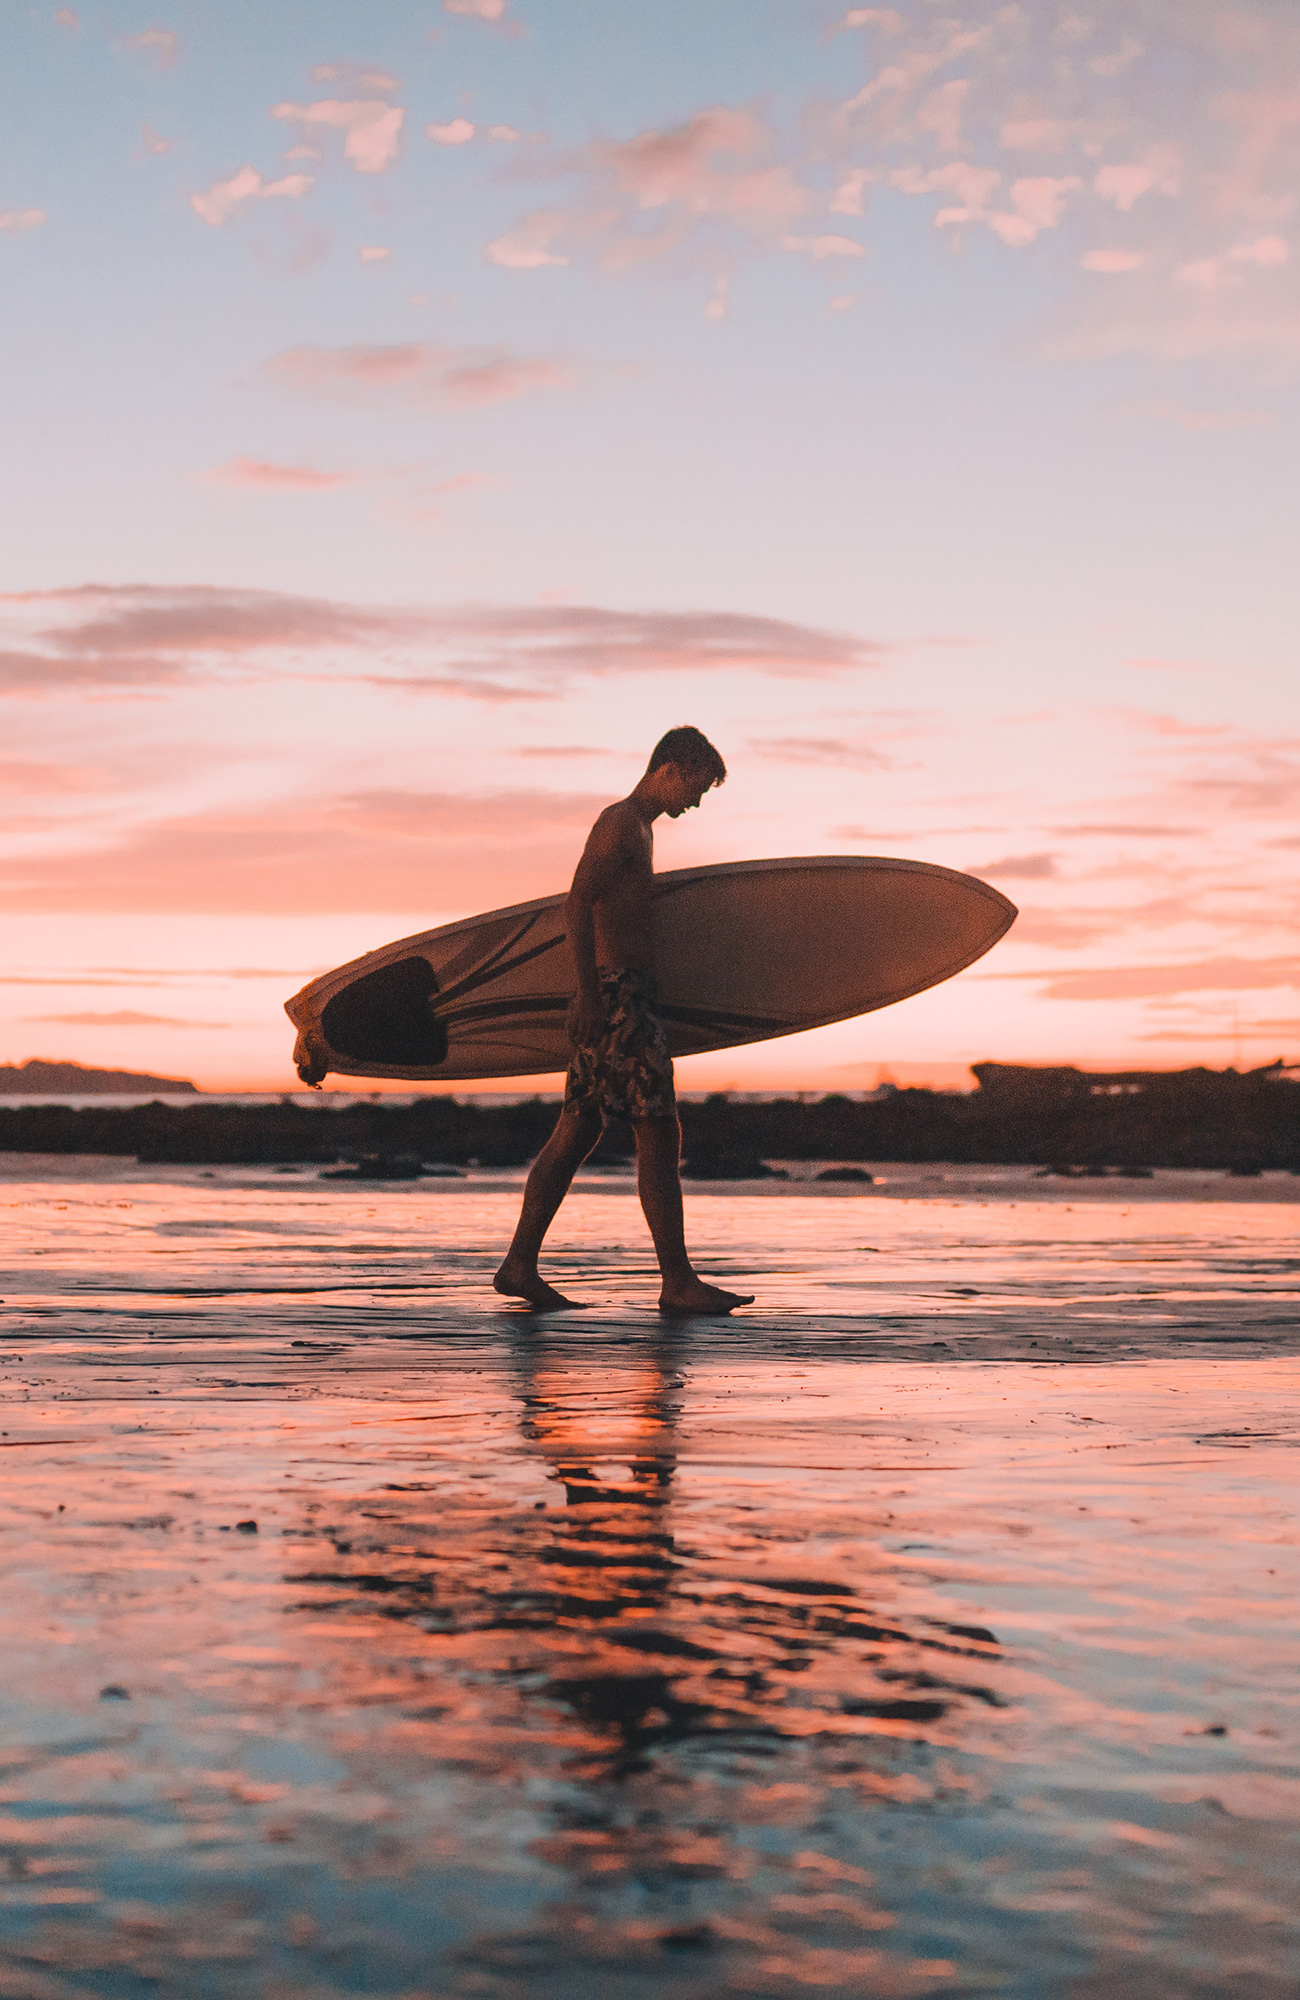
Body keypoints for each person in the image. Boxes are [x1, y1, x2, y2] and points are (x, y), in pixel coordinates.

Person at [494, 727, 755, 1315]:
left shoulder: (638, 829)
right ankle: (678, 1282)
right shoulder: (620, 824)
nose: (694, 803)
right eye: (695, 787)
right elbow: (576, 902)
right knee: (658, 1130)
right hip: (618, 1000)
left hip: (622, 995)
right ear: (669, 769)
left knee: (579, 1130)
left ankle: (518, 1264)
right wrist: (589, 993)